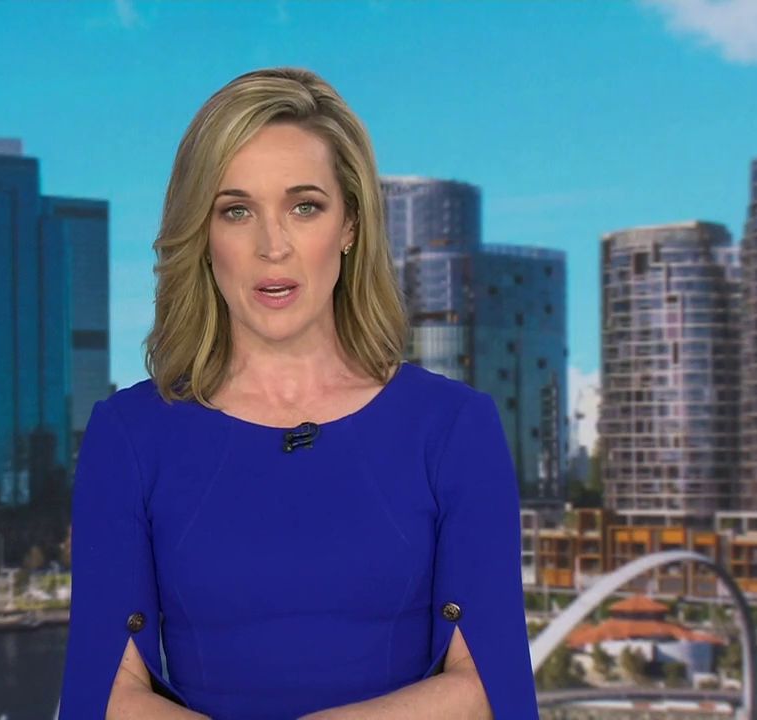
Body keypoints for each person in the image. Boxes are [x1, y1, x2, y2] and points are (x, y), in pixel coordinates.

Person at [57, 67, 538, 720]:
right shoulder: (128, 436)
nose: (272, 246)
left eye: (304, 206)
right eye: (236, 211)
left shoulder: (455, 429)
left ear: (350, 225)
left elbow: (488, 686)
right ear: (203, 234)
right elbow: (104, 694)